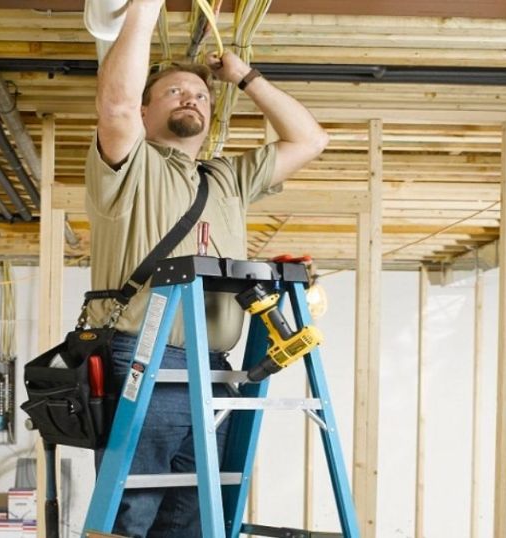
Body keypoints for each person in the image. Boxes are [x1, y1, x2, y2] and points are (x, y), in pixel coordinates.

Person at [83, 0, 328, 535]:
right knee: (131, 516)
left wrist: (245, 77)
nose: (190, 98)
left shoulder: (227, 178)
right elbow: (117, 108)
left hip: (217, 367)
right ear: (148, 113)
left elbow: (310, 140)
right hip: (143, 357)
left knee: (198, 519)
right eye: (173, 91)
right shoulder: (131, 165)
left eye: (198, 95)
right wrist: (142, 13)